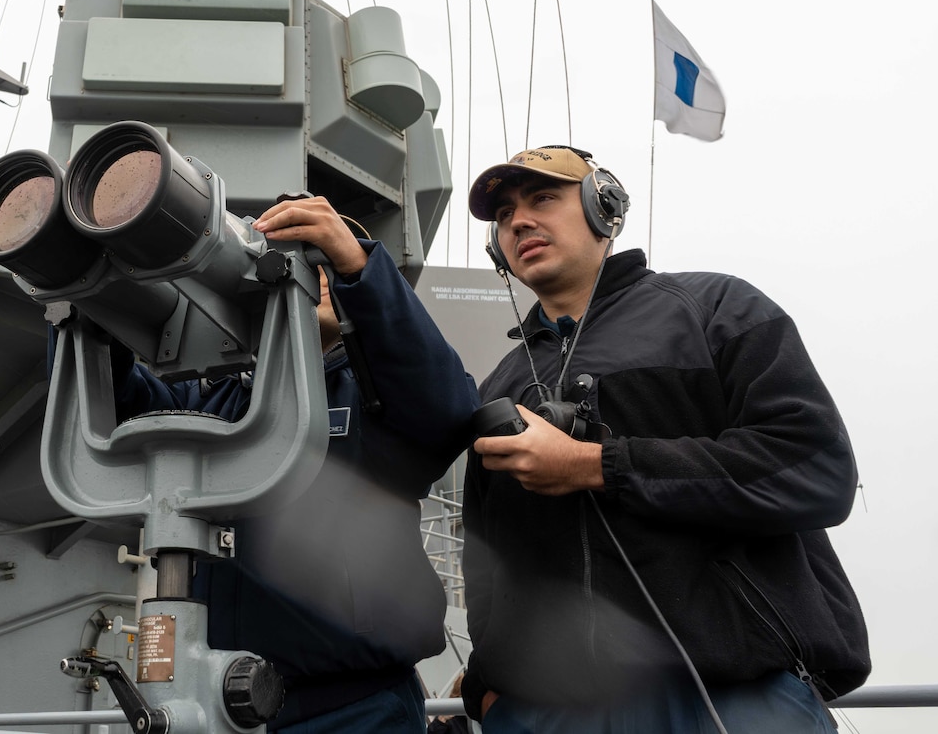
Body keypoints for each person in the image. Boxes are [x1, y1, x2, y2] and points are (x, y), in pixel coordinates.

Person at [458, 146, 869, 733]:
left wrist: (598, 465)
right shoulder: (501, 383)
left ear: (605, 207)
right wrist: (487, 684)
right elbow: (483, 556)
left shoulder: (718, 310)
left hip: (727, 694)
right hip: (545, 712)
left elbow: (815, 469)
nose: (518, 220)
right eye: (503, 215)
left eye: (543, 197)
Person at [110, 196, 481, 733]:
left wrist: (359, 266)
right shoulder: (213, 399)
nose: (314, 273)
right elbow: (120, 406)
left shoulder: (376, 399)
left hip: (354, 708)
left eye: (326, 259)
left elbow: (446, 410)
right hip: (218, 700)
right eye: (292, 257)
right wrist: (91, 295)